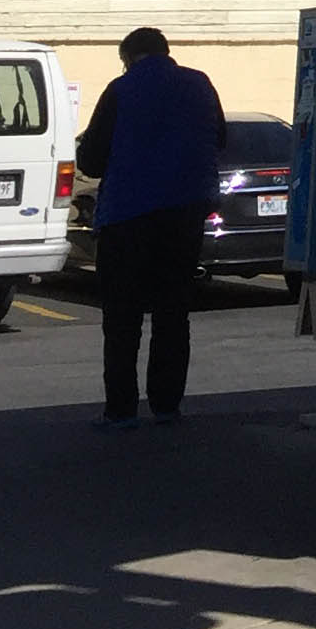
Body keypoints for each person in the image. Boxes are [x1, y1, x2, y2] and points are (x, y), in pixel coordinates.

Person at [76, 26, 225, 427]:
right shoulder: (200, 85)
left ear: (129, 57)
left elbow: (90, 160)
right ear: (165, 52)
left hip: (127, 216)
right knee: (172, 312)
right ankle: (166, 405)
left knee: (123, 317)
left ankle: (122, 410)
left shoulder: (121, 90)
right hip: (185, 213)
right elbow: (220, 138)